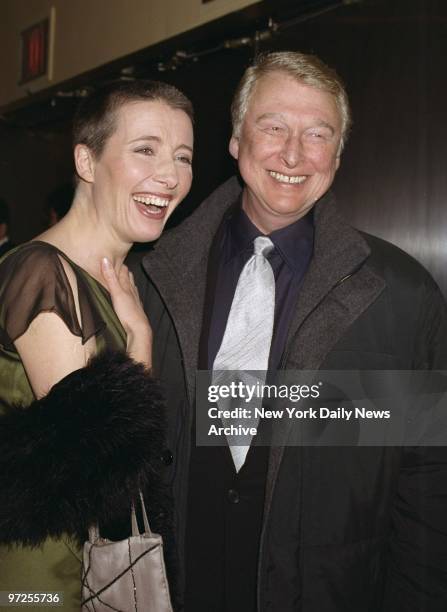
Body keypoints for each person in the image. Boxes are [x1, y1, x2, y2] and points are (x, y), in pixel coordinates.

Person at [134, 51, 447, 611]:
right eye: (273, 126)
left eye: (318, 134)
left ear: (339, 153)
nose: (294, 154)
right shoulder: (150, 276)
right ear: (236, 139)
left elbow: (427, 486)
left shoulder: (403, 295)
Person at [0, 79, 194, 609]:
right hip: (40, 582)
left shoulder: (114, 279)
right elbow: (97, 474)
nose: (171, 175)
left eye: (183, 156)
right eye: (145, 150)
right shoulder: (43, 273)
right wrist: (142, 349)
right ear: (86, 162)